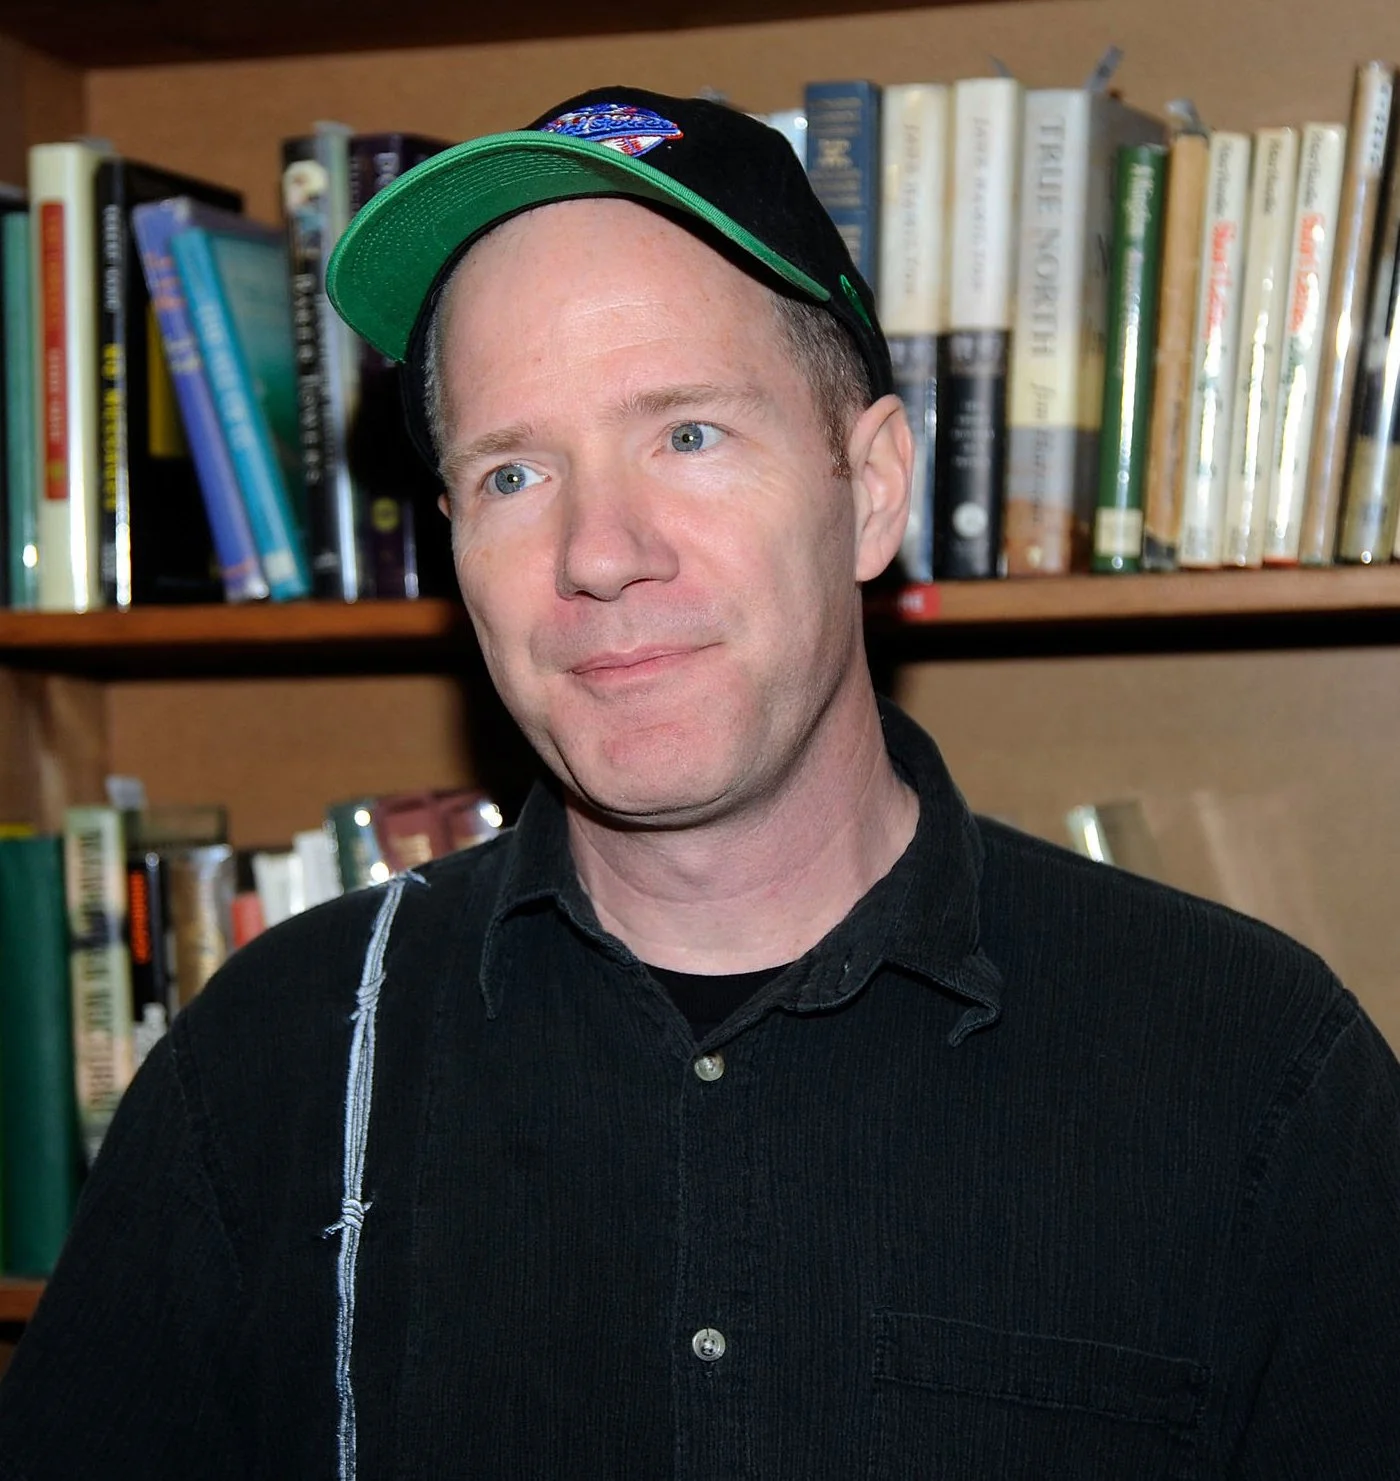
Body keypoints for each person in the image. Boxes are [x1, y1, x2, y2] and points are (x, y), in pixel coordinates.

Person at [2, 86, 1398, 1480]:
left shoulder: (1258, 1076)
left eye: (687, 435)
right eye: (513, 474)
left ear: (873, 487)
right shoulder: (269, 1066)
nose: (599, 552)